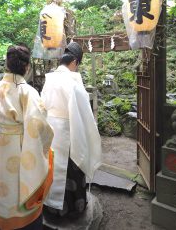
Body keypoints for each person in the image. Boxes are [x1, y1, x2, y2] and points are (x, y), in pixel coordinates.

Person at [0, 45, 54, 230]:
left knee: (4, 191)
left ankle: (5, 224)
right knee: (21, 188)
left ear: (7, 63)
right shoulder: (27, 92)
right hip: (21, 149)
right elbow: (39, 126)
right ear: (27, 67)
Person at [41, 42, 102, 222]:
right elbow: (83, 113)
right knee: (72, 168)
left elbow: (42, 106)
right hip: (68, 131)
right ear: (74, 61)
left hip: (50, 131)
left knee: (52, 169)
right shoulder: (73, 81)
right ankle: (73, 210)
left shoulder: (49, 79)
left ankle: (52, 209)